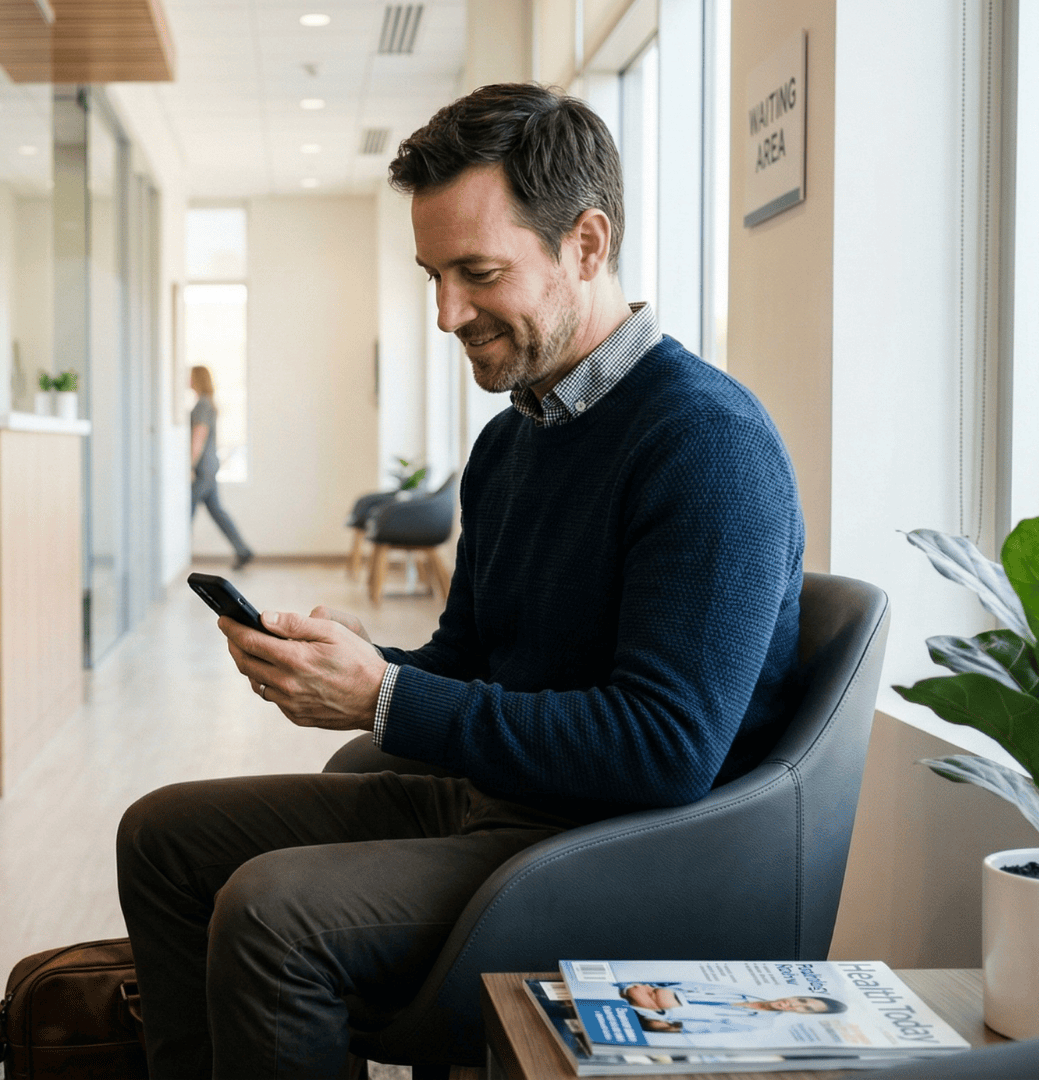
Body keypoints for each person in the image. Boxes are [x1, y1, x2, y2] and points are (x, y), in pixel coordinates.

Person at [116, 83, 806, 1079]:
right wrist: (355, 666)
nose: (446, 313)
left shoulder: (705, 445)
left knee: (274, 917)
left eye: (478, 273)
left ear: (586, 245)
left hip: (619, 847)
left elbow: (664, 751)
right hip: (507, 802)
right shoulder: (510, 445)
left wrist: (385, 699)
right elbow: (469, 662)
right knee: (165, 836)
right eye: (433, 275)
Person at [189, 365, 253, 569]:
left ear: (197, 379)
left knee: (184, 508)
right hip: (210, 465)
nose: (187, 380)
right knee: (217, 511)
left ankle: (175, 555)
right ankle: (243, 550)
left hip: (203, 468)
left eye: (190, 377)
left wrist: (189, 465)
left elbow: (198, 436)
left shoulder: (202, 405)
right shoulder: (207, 404)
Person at [618, 983, 846, 1035]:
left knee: (653, 1010)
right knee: (640, 991)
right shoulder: (742, 991)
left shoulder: (760, 1023)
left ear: (804, 1015)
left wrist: (657, 1006)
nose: (794, 1004)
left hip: (651, 1017)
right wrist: (653, 996)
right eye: (802, 999)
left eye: (804, 1009)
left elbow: (676, 1028)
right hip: (637, 994)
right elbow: (663, 985)